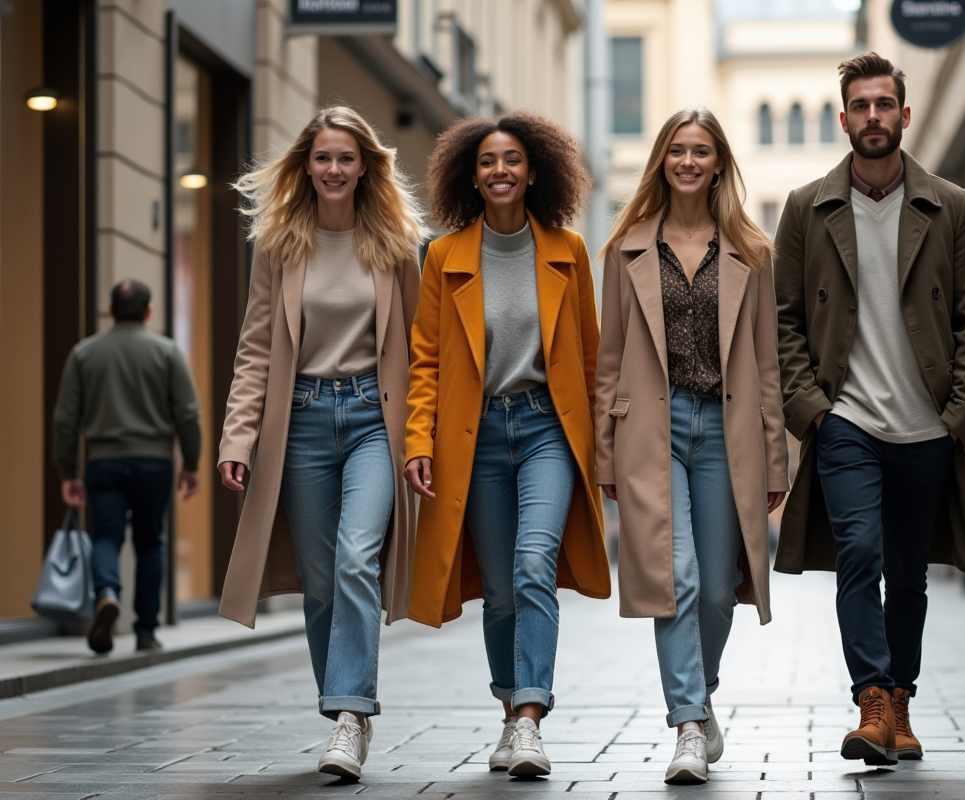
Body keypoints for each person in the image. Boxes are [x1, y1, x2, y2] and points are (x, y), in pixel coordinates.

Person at [773, 53, 965, 766]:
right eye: (860, 105)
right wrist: (811, 407)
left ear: (904, 115)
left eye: (884, 105)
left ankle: (901, 701)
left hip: (928, 427)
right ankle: (872, 700)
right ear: (843, 118)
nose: (872, 117)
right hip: (845, 423)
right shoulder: (806, 208)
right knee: (859, 558)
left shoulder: (951, 206)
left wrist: (961, 417)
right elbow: (782, 321)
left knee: (908, 573)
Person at [216, 107, 426, 780]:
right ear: (305, 166)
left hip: (372, 417)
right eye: (323, 158)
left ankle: (350, 716)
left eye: (345, 158)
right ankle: (343, 705)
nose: (334, 169)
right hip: (301, 422)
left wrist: (423, 435)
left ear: (366, 165)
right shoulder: (281, 244)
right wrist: (238, 438)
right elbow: (254, 349)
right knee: (319, 582)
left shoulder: (396, 242)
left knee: (356, 558)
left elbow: (422, 350)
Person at [403, 111, 610, 778]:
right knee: (498, 591)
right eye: (489, 161)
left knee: (532, 565)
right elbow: (425, 360)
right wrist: (417, 439)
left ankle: (529, 719)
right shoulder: (443, 255)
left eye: (513, 159)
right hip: (476, 435)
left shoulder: (568, 251)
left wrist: (600, 447)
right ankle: (507, 708)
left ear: (533, 171)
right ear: (472, 175)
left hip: (548, 428)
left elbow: (588, 357)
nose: (500, 170)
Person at [595, 108, 789, 785]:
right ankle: (685, 724)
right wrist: (604, 454)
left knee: (715, 589)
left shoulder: (752, 253)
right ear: (661, 160)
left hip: (726, 432)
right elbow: (609, 360)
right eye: (676, 150)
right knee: (673, 579)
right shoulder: (625, 249)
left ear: (717, 163)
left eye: (700, 151)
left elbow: (767, 365)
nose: (687, 161)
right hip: (653, 429)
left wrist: (775, 455)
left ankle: (698, 693)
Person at [53, 279, 201, 654]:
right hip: (154, 462)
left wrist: (68, 470)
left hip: (103, 462)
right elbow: (187, 412)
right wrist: (192, 462)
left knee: (106, 536)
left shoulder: (84, 354)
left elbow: (66, 418)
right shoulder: (166, 352)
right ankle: (146, 632)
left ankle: (106, 591)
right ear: (148, 311)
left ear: (111, 309)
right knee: (151, 542)